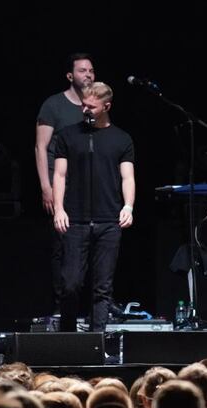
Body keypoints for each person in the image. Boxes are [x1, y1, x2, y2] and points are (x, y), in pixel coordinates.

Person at [53, 81, 135, 332]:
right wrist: (59, 208)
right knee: (70, 285)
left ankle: (97, 341)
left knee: (102, 289)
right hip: (75, 220)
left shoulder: (121, 139)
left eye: (91, 106)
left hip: (108, 222)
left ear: (106, 106)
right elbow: (59, 175)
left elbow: (127, 177)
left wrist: (128, 206)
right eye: (83, 105)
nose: (85, 110)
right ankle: (67, 337)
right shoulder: (68, 135)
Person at [35, 52, 95, 312]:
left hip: (87, 190)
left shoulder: (94, 107)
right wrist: (46, 187)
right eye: (83, 70)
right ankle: (62, 308)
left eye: (91, 70)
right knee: (62, 247)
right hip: (59, 187)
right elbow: (40, 147)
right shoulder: (54, 106)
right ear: (70, 75)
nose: (89, 75)